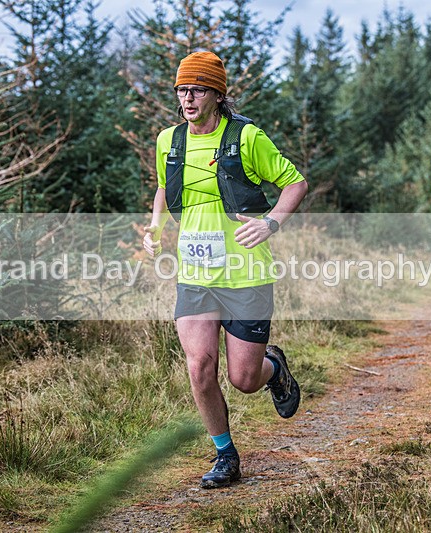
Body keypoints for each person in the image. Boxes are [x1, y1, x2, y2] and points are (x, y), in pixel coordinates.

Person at [143, 51, 308, 489]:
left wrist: (271, 222)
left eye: (197, 89)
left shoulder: (246, 137)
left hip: (246, 274)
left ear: (218, 94)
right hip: (195, 275)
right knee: (199, 366)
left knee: (244, 379)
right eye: (182, 90)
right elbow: (163, 185)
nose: (188, 97)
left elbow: (295, 183)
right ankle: (225, 455)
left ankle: (274, 366)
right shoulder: (169, 140)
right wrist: (156, 226)